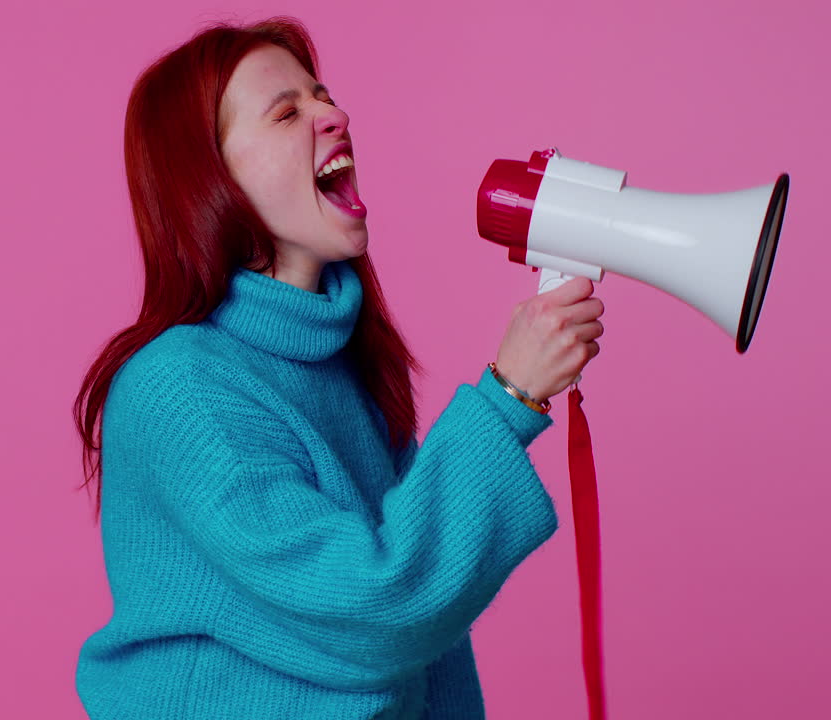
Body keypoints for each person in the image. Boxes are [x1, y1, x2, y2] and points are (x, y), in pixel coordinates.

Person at [72, 16, 604, 720]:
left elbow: (430, 654)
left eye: (322, 96)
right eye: (286, 113)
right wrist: (509, 396)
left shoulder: (348, 367)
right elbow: (377, 610)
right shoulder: (179, 388)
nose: (334, 115)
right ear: (209, 179)